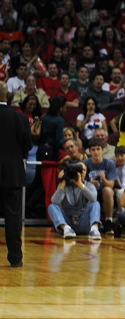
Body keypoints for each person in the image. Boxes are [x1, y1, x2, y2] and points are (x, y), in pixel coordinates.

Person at [0, 81, 32, 267]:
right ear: (8, 96)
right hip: (12, 173)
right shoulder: (20, 118)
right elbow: (27, 146)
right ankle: (15, 258)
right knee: (13, 217)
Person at [48, 161, 102, 240]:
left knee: (96, 203)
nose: (81, 172)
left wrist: (80, 185)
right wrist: (62, 183)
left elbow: (93, 199)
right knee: (52, 206)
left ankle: (94, 229)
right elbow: (55, 201)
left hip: (83, 222)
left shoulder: (89, 185)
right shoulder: (64, 186)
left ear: (86, 173)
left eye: (83, 170)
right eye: (79, 170)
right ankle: (66, 228)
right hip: (67, 222)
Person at [83, 137, 117, 235]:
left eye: (98, 149)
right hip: (90, 193)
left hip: (104, 194)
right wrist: (89, 183)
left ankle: (108, 221)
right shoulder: (85, 163)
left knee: (107, 190)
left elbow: (111, 184)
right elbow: (80, 181)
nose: (96, 152)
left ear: (103, 150)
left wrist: (104, 179)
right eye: (93, 150)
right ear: (89, 151)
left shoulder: (109, 163)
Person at [37, 95, 66, 162]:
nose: (66, 109)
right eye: (65, 107)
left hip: (41, 149)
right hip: (52, 152)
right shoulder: (60, 120)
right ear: (60, 108)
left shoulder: (44, 117)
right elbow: (59, 140)